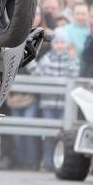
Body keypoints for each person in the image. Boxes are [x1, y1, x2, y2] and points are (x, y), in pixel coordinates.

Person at [34, 33, 80, 170]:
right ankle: (48, 163)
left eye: (62, 43)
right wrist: (31, 64)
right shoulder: (46, 59)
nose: (59, 45)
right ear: (53, 45)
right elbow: (38, 74)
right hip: (48, 103)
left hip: (65, 105)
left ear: (66, 45)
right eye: (57, 43)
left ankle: (61, 163)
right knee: (48, 134)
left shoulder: (72, 60)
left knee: (64, 135)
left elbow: (74, 76)